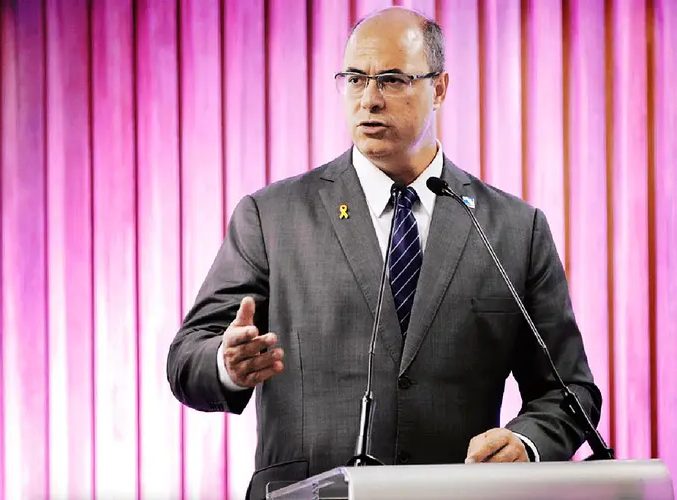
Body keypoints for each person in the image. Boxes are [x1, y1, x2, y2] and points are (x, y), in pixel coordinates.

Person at [167, 7, 602, 499]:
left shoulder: (512, 230)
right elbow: (187, 359)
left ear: (439, 88)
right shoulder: (271, 217)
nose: (369, 100)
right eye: (355, 79)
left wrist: (526, 442)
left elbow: (570, 395)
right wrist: (227, 364)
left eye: (392, 80)